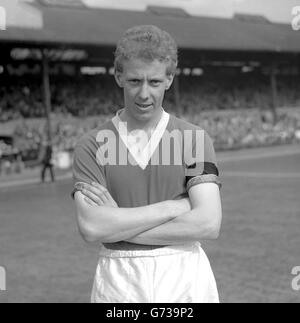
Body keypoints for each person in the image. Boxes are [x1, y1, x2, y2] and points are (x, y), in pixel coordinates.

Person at [72, 25, 222, 303]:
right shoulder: (91, 145)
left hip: (185, 274)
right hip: (119, 278)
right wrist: (174, 207)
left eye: (153, 82)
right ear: (118, 76)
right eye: (134, 81)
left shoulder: (193, 139)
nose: (143, 94)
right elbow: (92, 227)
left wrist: (118, 224)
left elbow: (208, 224)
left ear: (169, 79)